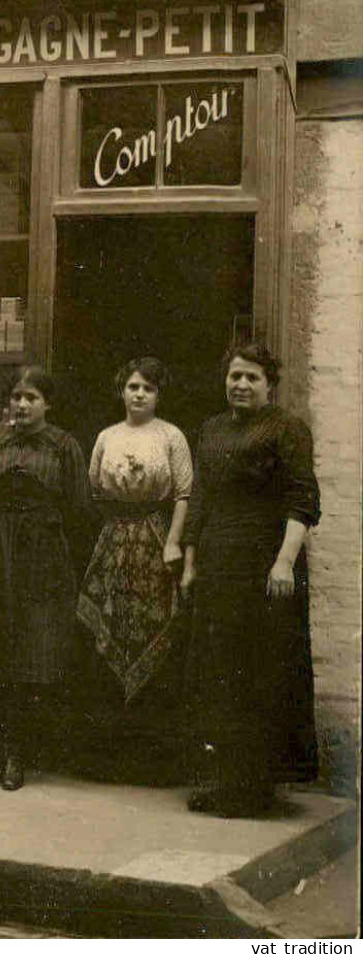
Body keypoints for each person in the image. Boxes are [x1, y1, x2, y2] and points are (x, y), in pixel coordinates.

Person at [181, 341, 321, 818]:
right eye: (234, 376)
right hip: (219, 563)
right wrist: (191, 562)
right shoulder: (212, 430)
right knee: (218, 671)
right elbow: (199, 499)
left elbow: (303, 501)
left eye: (251, 378)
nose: (240, 385)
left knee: (261, 671)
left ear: (269, 384)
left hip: (265, 567)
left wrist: (284, 561)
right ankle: (224, 781)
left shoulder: (287, 430)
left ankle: (257, 787)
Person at [0, 366, 91, 791]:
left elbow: (78, 508)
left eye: (31, 397)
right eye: (16, 396)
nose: (22, 404)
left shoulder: (64, 447)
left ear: (47, 404)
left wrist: (51, 551)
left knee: (29, 660)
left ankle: (17, 754)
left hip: (42, 562)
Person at [77, 357, 193, 705]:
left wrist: (172, 541)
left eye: (149, 388)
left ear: (158, 395)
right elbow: (93, 489)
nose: (140, 394)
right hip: (114, 536)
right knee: (109, 620)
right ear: (121, 391)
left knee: (153, 621)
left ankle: (148, 719)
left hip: (156, 536)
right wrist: (111, 529)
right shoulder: (107, 436)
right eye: (133, 387)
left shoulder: (171, 435)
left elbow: (185, 493)